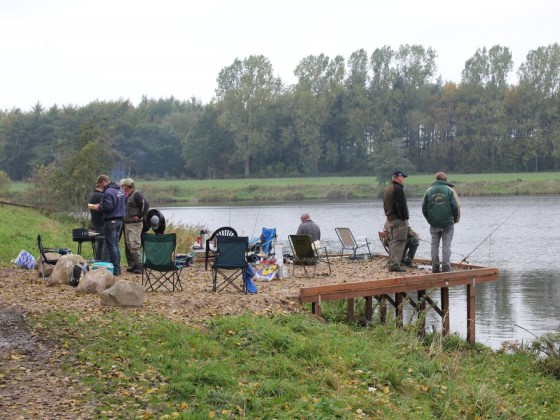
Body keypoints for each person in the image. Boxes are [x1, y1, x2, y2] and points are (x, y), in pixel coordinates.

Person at [422, 171, 460, 273]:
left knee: (434, 245)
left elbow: (424, 208)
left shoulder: (428, 191)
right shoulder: (449, 190)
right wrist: (455, 219)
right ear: (445, 180)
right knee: (446, 246)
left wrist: (429, 219)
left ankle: (435, 268)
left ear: (435, 179)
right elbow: (455, 207)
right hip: (448, 223)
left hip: (433, 223)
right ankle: (446, 268)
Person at [93, 174, 125, 276]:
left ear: (103, 182)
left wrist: (99, 208)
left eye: (99, 185)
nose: (100, 188)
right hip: (120, 220)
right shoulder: (119, 190)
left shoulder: (108, 191)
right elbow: (117, 204)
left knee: (112, 246)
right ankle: (118, 268)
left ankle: (115, 270)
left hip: (111, 221)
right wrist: (102, 204)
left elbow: (109, 206)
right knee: (116, 245)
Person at [383, 170, 410, 272]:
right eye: (402, 177)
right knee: (399, 241)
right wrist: (404, 217)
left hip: (390, 218)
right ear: (398, 177)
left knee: (394, 241)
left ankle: (391, 262)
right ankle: (394, 265)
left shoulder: (388, 188)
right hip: (398, 219)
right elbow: (400, 205)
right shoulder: (398, 189)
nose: (403, 179)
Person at [121, 178, 149, 274]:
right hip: (128, 224)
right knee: (129, 245)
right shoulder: (127, 195)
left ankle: (139, 266)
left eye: (123, 186)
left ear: (127, 186)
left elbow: (145, 205)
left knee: (135, 245)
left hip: (135, 224)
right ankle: (134, 265)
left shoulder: (137, 194)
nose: (122, 187)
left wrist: (139, 216)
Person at [87, 182, 107, 261]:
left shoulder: (92, 194)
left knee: (97, 241)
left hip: (94, 222)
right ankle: (100, 259)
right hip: (101, 222)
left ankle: (97, 258)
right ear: (102, 185)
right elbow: (104, 208)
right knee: (101, 242)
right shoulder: (101, 196)